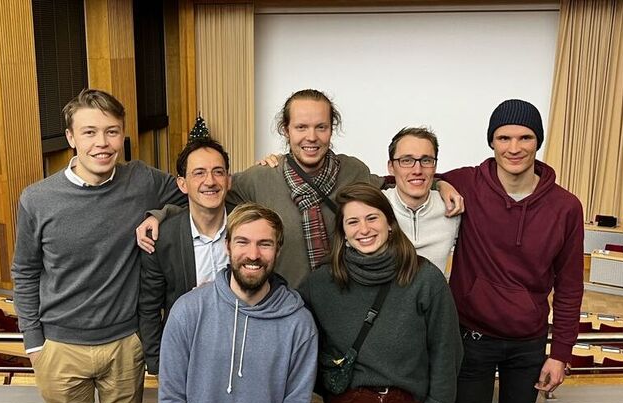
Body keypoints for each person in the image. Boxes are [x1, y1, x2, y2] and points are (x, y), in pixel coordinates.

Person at [12, 89, 187, 403]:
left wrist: (159, 215)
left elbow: (197, 195)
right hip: (59, 348)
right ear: (72, 138)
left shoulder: (141, 180)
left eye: (111, 132)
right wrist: (34, 345)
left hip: (124, 346)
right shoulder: (37, 199)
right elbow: (24, 272)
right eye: (90, 132)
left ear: (122, 135)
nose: (102, 143)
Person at [136, 89, 465, 288]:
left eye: (321, 127)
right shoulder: (259, 178)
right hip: (283, 304)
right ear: (286, 129)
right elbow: (207, 197)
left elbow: (397, 181)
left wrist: (440, 182)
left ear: (331, 129)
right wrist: (162, 214)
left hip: (343, 299)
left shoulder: (353, 171)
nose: (312, 136)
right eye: (302, 127)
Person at [298, 182, 462, 403]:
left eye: (372, 218)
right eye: (353, 222)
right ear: (342, 233)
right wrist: (328, 383)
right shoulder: (321, 284)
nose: (364, 229)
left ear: (389, 223)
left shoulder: (424, 278)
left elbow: (447, 349)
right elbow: (296, 341)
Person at [443, 99, 584, 403]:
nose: (514, 148)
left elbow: (569, 287)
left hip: (528, 344)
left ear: (538, 142)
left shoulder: (566, 207)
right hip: (472, 339)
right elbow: (398, 178)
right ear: (491, 141)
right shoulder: (468, 183)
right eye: (504, 137)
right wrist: (441, 184)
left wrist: (561, 353)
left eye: (525, 137)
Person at [158, 203, 318, 403]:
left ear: (278, 250)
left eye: (265, 244)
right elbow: (170, 399)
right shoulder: (188, 310)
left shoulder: (299, 325)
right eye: (243, 242)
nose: (253, 255)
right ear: (227, 246)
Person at [138, 137, 232, 375]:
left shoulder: (247, 230)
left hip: (240, 354)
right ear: (182, 183)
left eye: (218, 172)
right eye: (199, 173)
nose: (210, 181)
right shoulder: (163, 239)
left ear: (229, 180)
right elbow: (149, 307)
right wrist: (158, 365)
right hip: (187, 359)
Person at [384, 127, 461, 272]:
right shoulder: (374, 207)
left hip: (434, 293)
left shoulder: (452, 208)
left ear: (435, 166)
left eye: (426, 160)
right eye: (406, 161)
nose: (417, 170)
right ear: (391, 167)